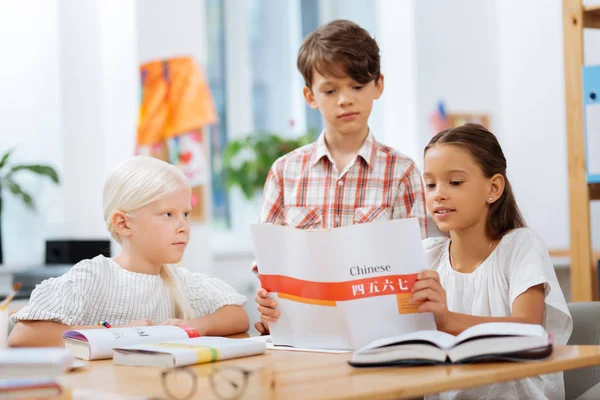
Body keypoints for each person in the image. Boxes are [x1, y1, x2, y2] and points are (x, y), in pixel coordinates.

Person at [253, 19, 428, 335]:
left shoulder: (402, 172)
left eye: (357, 86)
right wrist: (267, 303)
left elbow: (417, 265)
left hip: (383, 334)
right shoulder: (285, 172)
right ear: (310, 96)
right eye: (330, 90)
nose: (345, 99)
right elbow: (269, 266)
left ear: (378, 85)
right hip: (305, 334)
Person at [9, 156, 249, 347]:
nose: (183, 227)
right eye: (168, 214)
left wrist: (198, 326)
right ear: (123, 224)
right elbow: (24, 336)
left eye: (185, 214)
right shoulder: (91, 277)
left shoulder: (178, 280)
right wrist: (119, 334)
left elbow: (237, 315)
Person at [412, 123, 572, 399]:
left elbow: (528, 329)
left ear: (494, 188)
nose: (438, 193)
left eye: (455, 182)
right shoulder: (427, 256)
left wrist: (447, 319)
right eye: (430, 184)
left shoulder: (520, 247)